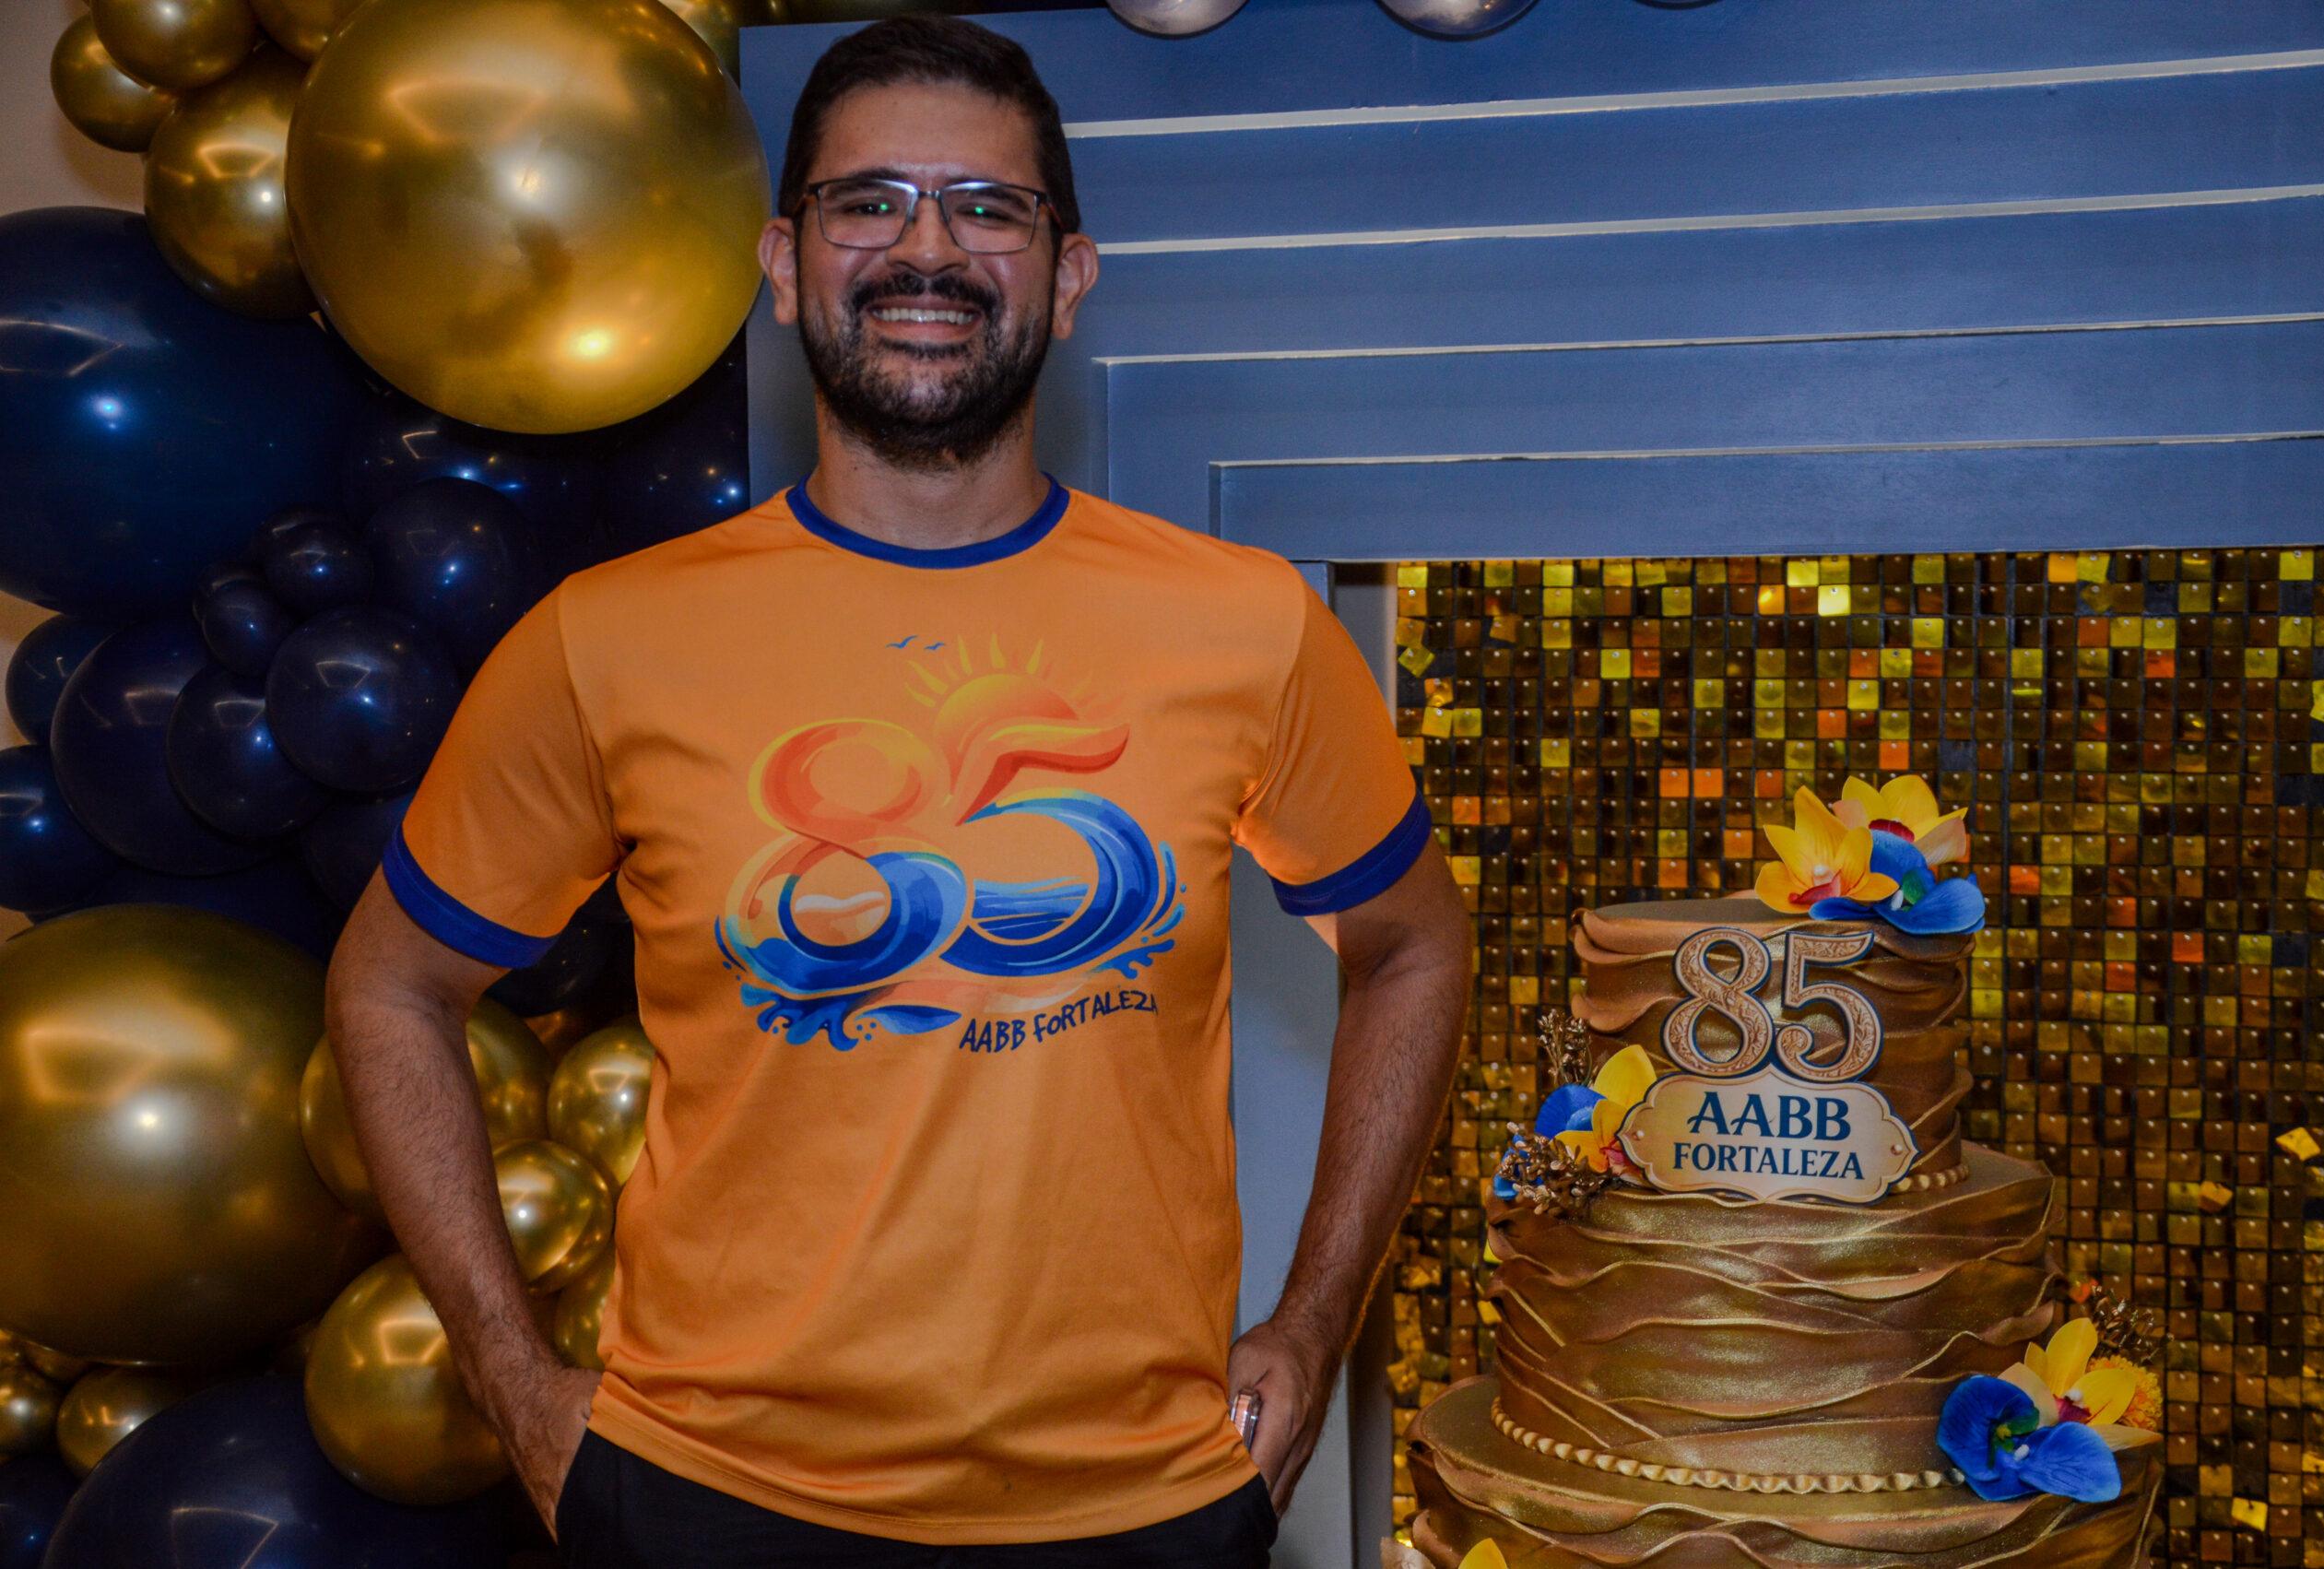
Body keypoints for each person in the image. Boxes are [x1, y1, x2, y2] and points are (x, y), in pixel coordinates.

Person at [324, 16, 1470, 1567]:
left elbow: (1414, 944)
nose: (927, 249)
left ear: (1068, 276)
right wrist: (516, 1384)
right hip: (707, 1501)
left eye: (988, 208)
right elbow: (390, 983)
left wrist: (1317, 1319)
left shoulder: (1250, 625)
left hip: (1138, 1507)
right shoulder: (604, 641)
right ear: (784, 264)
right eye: (869, 202)